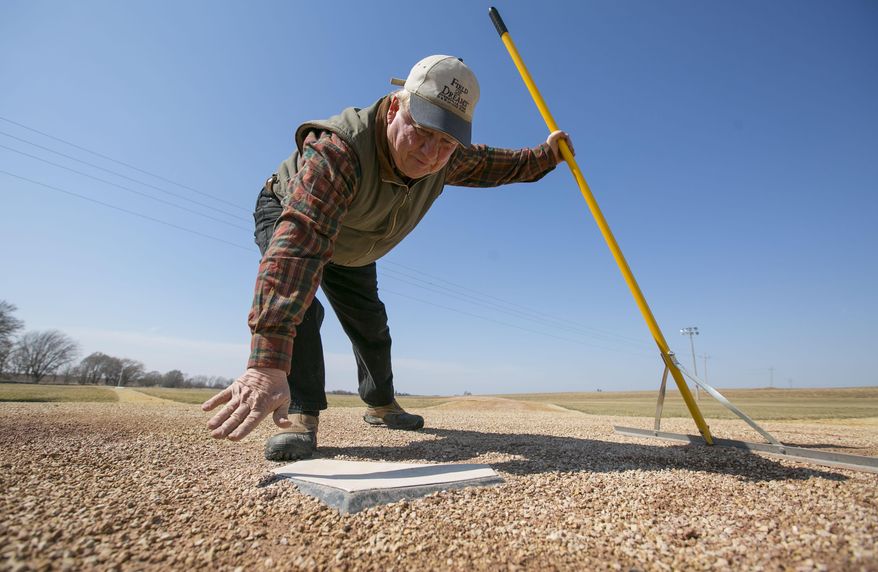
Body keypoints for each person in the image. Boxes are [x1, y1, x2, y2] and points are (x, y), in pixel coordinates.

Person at [202, 55, 573, 461]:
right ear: (396, 106)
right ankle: (301, 414)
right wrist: (267, 361)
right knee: (302, 303)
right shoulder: (338, 151)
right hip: (294, 213)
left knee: (371, 324)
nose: (431, 153)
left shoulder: (446, 157)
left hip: (356, 242)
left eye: (447, 142)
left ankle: (381, 404)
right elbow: (298, 248)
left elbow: (494, 164)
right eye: (422, 132)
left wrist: (548, 155)